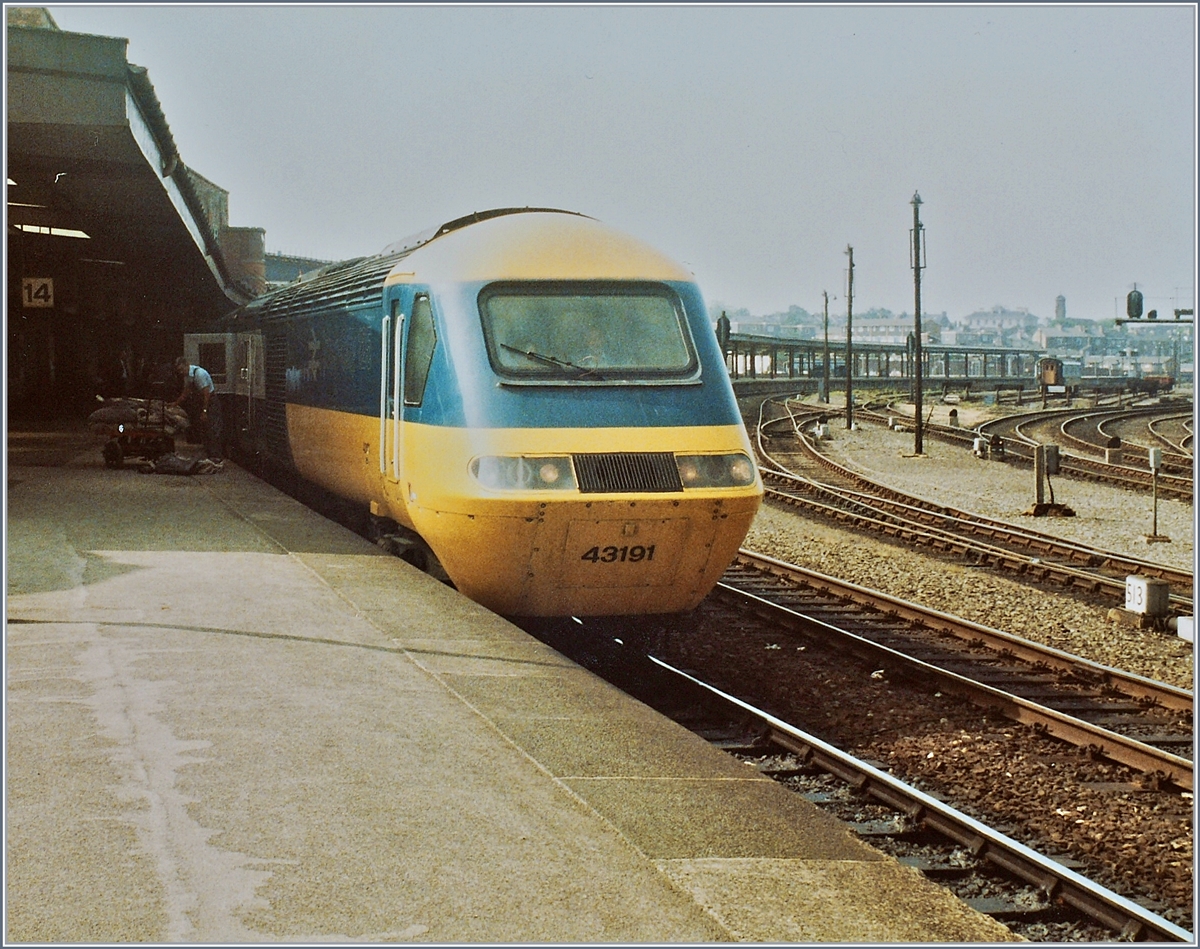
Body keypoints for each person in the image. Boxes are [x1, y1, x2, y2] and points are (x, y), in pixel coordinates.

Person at [169, 356, 221, 461]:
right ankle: (208, 453)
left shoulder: (199, 374)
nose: (180, 372)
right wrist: (175, 404)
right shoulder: (188, 376)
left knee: (211, 429)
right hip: (202, 402)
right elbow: (186, 392)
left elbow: (206, 393)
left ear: (186, 365)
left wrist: (204, 411)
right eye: (179, 370)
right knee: (204, 429)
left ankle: (216, 456)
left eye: (181, 369)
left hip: (210, 402)